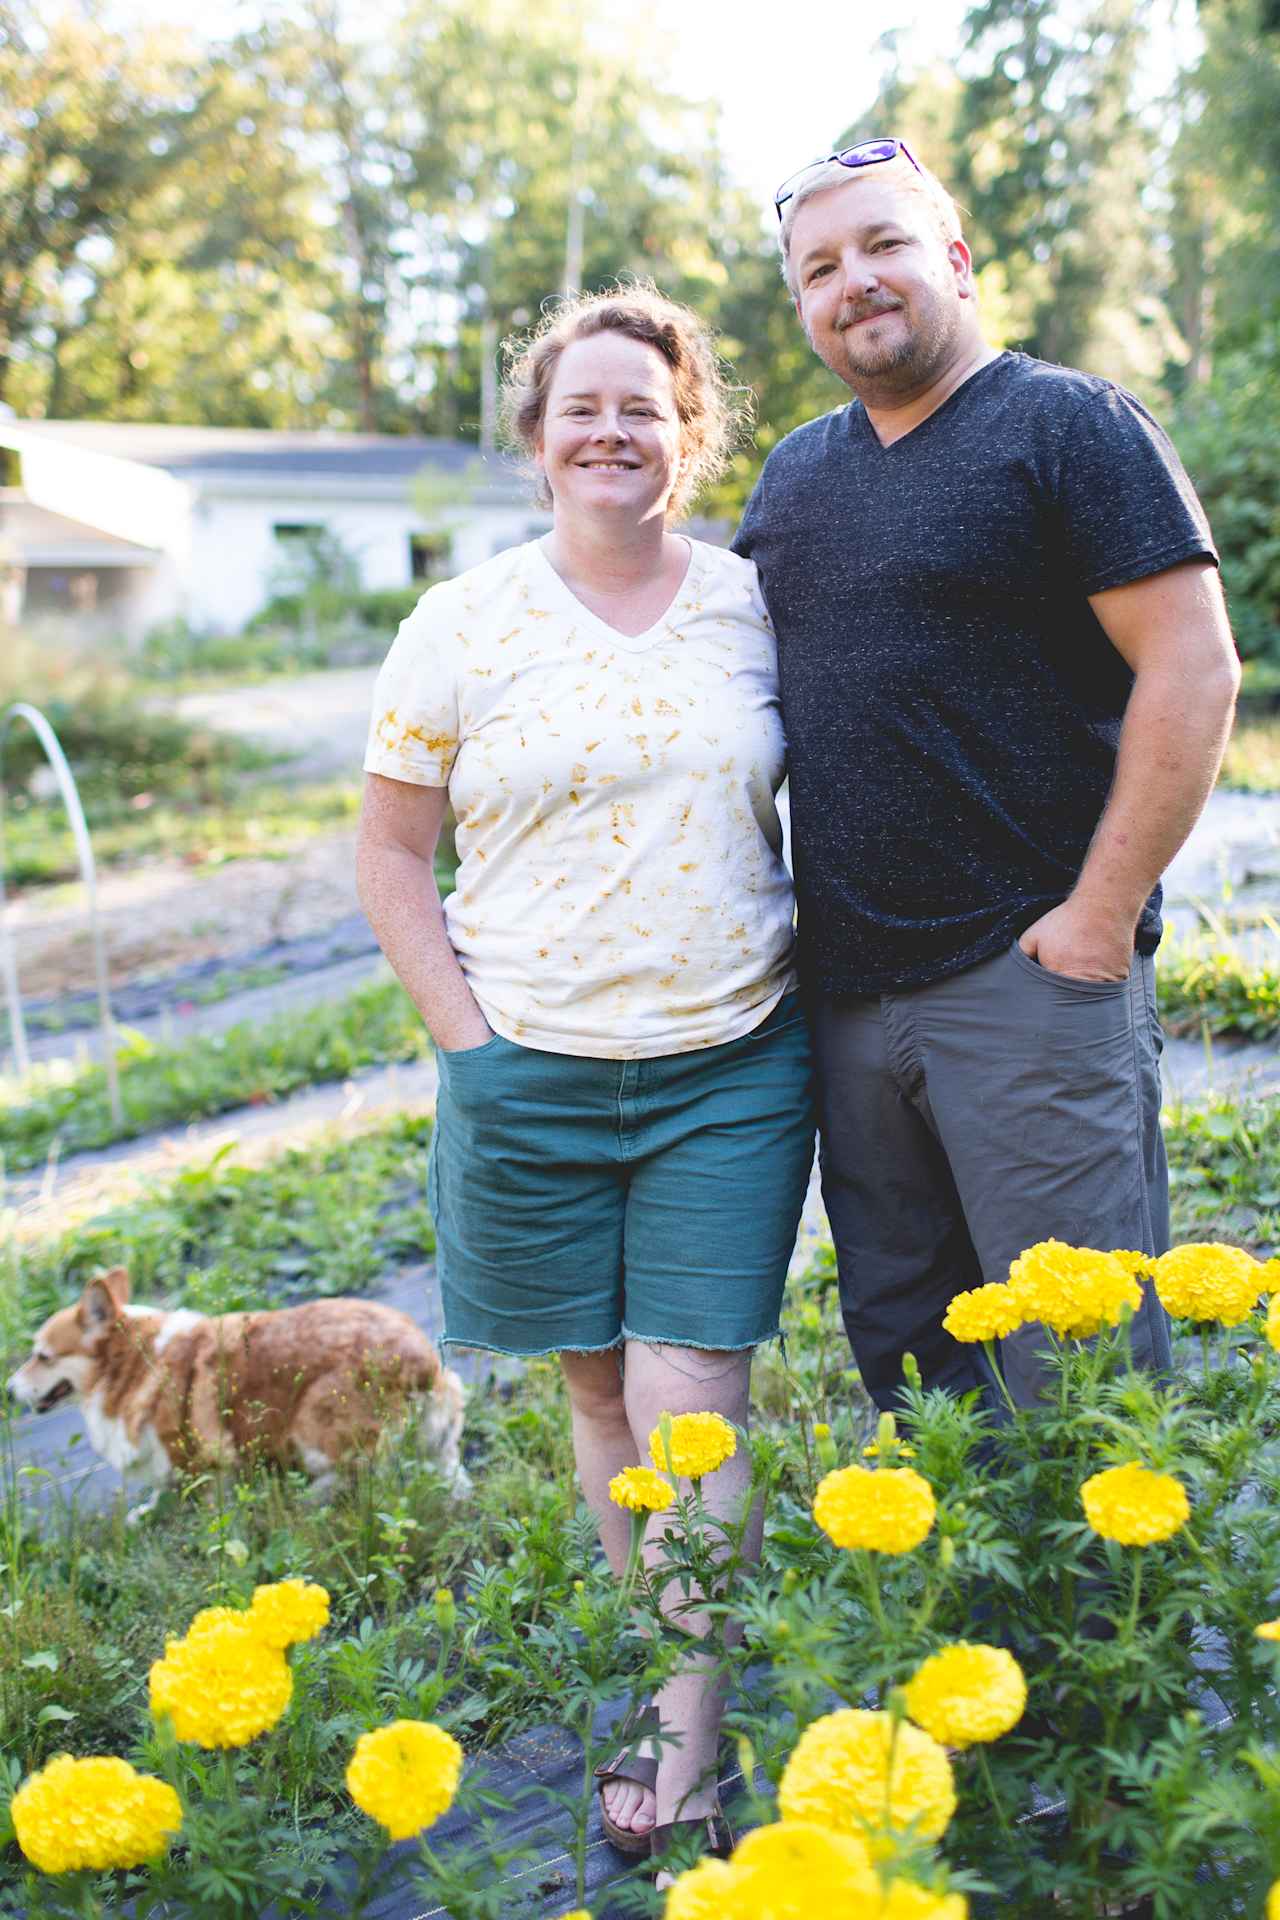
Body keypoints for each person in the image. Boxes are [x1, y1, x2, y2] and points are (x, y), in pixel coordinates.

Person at [356, 285, 815, 1873]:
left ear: (689, 434)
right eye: (583, 407)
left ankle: (690, 1719)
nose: (613, 430)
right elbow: (393, 853)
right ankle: (653, 1666)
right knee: (600, 1393)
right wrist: (467, 1045)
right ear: (540, 438)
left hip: (729, 1062)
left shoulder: (757, 606)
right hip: (529, 1072)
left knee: (694, 1396)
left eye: (645, 405)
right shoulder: (464, 623)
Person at [733, 138, 1240, 1412]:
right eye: (819, 267)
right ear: (800, 304)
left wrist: (1096, 915)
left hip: (1026, 977)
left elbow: (1191, 672)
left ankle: (1100, 1616)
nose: (854, 281)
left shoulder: (1067, 425)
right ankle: (961, 1615)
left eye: (883, 245)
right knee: (909, 1349)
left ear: (954, 261)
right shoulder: (792, 476)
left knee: (1074, 1362)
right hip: (846, 999)